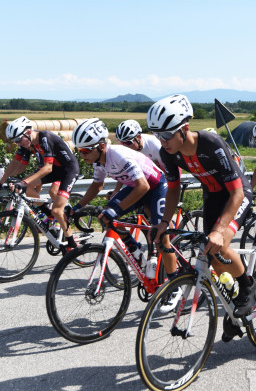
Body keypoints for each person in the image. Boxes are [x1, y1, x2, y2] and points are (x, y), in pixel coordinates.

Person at [148, 94, 255, 333]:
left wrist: (219, 231)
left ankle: (247, 288)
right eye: (157, 136)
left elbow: (236, 193)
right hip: (214, 196)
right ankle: (232, 306)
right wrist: (164, 222)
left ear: (184, 128)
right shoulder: (168, 153)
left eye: (166, 135)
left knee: (221, 243)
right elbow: (173, 189)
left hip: (237, 194)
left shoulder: (211, 143)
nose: (162, 141)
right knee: (212, 256)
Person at [70, 118, 179, 306]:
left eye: (86, 150)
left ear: (102, 146)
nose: (83, 155)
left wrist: (117, 209)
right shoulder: (99, 162)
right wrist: (77, 208)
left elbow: (143, 186)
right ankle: (136, 252)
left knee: (161, 238)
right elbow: (97, 185)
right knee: (106, 217)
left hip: (155, 187)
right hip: (136, 186)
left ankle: (175, 285)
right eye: (80, 151)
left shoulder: (118, 155)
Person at [0, 116, 80, 250]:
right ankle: (48, 215)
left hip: (68, 170)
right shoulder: (26, 142)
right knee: (27, 186)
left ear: (29, 132)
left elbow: (47, 167)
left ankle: (72, 244)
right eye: (15, 141)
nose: (18, 143)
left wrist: (23, 182)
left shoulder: (45, 137)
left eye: (18, 140)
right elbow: (15, 163)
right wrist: (1, 182)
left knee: (57, 210)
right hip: (54, 170)